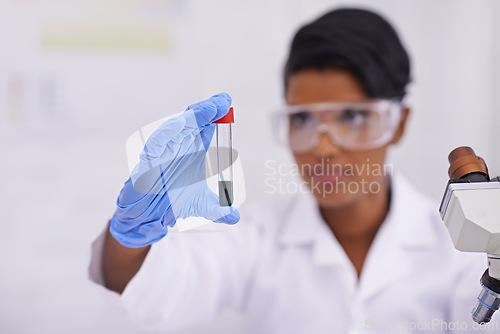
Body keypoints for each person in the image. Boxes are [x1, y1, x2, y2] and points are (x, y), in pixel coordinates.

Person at [89, 8, 496, 333]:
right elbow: (158, 293)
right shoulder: (256, 236)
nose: (321, 147)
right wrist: (131, 234)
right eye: (302, 120)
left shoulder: (461, 248)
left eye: (352, 116)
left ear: (399, 122)